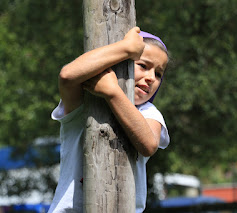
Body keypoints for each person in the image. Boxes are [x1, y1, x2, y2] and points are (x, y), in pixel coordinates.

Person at [48, 27, 170, 213]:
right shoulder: (84, 102)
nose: (151, 78)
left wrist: (113, 93)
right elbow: (67, 76)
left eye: (159, 73)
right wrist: (126, 48)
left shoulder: (149, 113)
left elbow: (148, 144)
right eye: (143, 66)